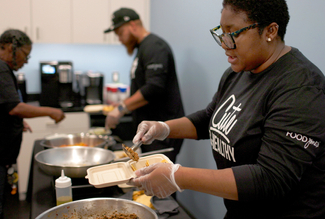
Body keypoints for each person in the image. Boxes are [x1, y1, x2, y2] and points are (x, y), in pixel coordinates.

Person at [128, 0, 325, 218]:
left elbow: (271, 178)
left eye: (233, 33)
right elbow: (210, 118)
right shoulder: (239, 70)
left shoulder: (302, 88)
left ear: (270, 30)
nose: (224, 43)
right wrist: (163, 128)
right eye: (221, 33)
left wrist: (178, 177)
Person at [104, 8, 185, 163]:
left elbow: (154, 88)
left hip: (162, 131)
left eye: (120, 33)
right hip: (150, 131)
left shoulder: (154, 47)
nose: (119, 39)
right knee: (150, 180)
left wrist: (122, 108)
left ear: (133, 25)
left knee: (162, 183)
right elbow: (142, 87)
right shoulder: (142, 48)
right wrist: (123, 103)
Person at [0, 29, 65, 218]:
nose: (26, 61)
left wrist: (17, 121)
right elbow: (14, 107)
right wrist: (51, 111)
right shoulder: (2, 68)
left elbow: (6, 109)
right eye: (25, 55)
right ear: (12, 48)